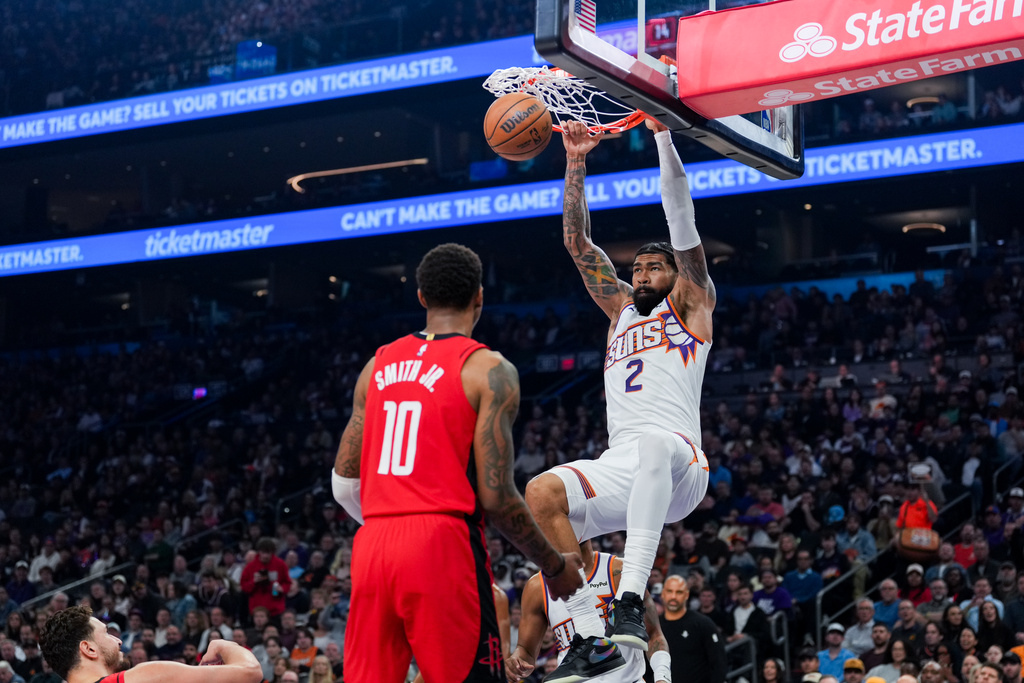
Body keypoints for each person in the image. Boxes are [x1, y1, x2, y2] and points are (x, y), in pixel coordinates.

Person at [330, 243, 584, 683]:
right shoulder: (488, 369)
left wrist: (390, 519)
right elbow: (498, 497)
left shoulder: (377, 366)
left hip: (372, 545)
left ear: (421, 297)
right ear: (479, 296)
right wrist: (555, 565)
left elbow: (342, 480)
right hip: (439, 544)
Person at [524, 118, 714, 678]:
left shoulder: (694, 305)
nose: (643, 272)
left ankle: (631, 597)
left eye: (655, 266)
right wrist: (576, 159)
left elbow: (682, 216)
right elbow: (576, 243)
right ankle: (587, 634)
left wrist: (661, 136)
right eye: (638, 266)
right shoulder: (619, 311)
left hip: (681, 466)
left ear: (678, 275)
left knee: (655, 441)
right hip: (623, 467)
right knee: (541, 492)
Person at [507, 541, 672, 683]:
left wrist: (662, 676)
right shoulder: (537, 587)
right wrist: (516, 662)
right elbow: (526, 651)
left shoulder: (619, 570)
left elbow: (653, 635)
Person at [38, 605, 261, 683]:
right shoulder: (145, 677)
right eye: (107, 634)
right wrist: (222, 645)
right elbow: (250, 672)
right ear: (89, 648)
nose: (118, 640)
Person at [659, 575, 726, 683]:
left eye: (679, 592)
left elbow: (718, 662)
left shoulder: (703, 624)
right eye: (669, 591)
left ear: (687, 595)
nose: (673, 596)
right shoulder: (654, 626)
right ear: (663, 594)